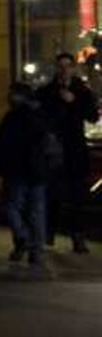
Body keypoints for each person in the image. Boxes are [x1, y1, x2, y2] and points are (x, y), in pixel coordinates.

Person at [37, 53, 99, 254]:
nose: (64, 70)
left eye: (67, 66)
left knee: (77, 195)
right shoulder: (47, 91)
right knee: (53, 192)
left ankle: (77, 236)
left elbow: (91, 116)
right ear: (57, 68)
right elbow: (41, 117)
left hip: (75, 149)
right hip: (54, 149)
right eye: (60, 66)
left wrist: (74, 102)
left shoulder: (82, 91)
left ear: (73, 68)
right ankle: (50, 230)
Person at [0, 82, 53, 266]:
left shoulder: (12, 117)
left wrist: (2, 163)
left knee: (12, 207)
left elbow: (0, 144)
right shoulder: (41, 116)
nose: (9, 97)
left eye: (12, 94)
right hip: (37, 171)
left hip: (17, 171)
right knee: (36, 211)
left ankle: (23, 239)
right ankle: (35, 250)